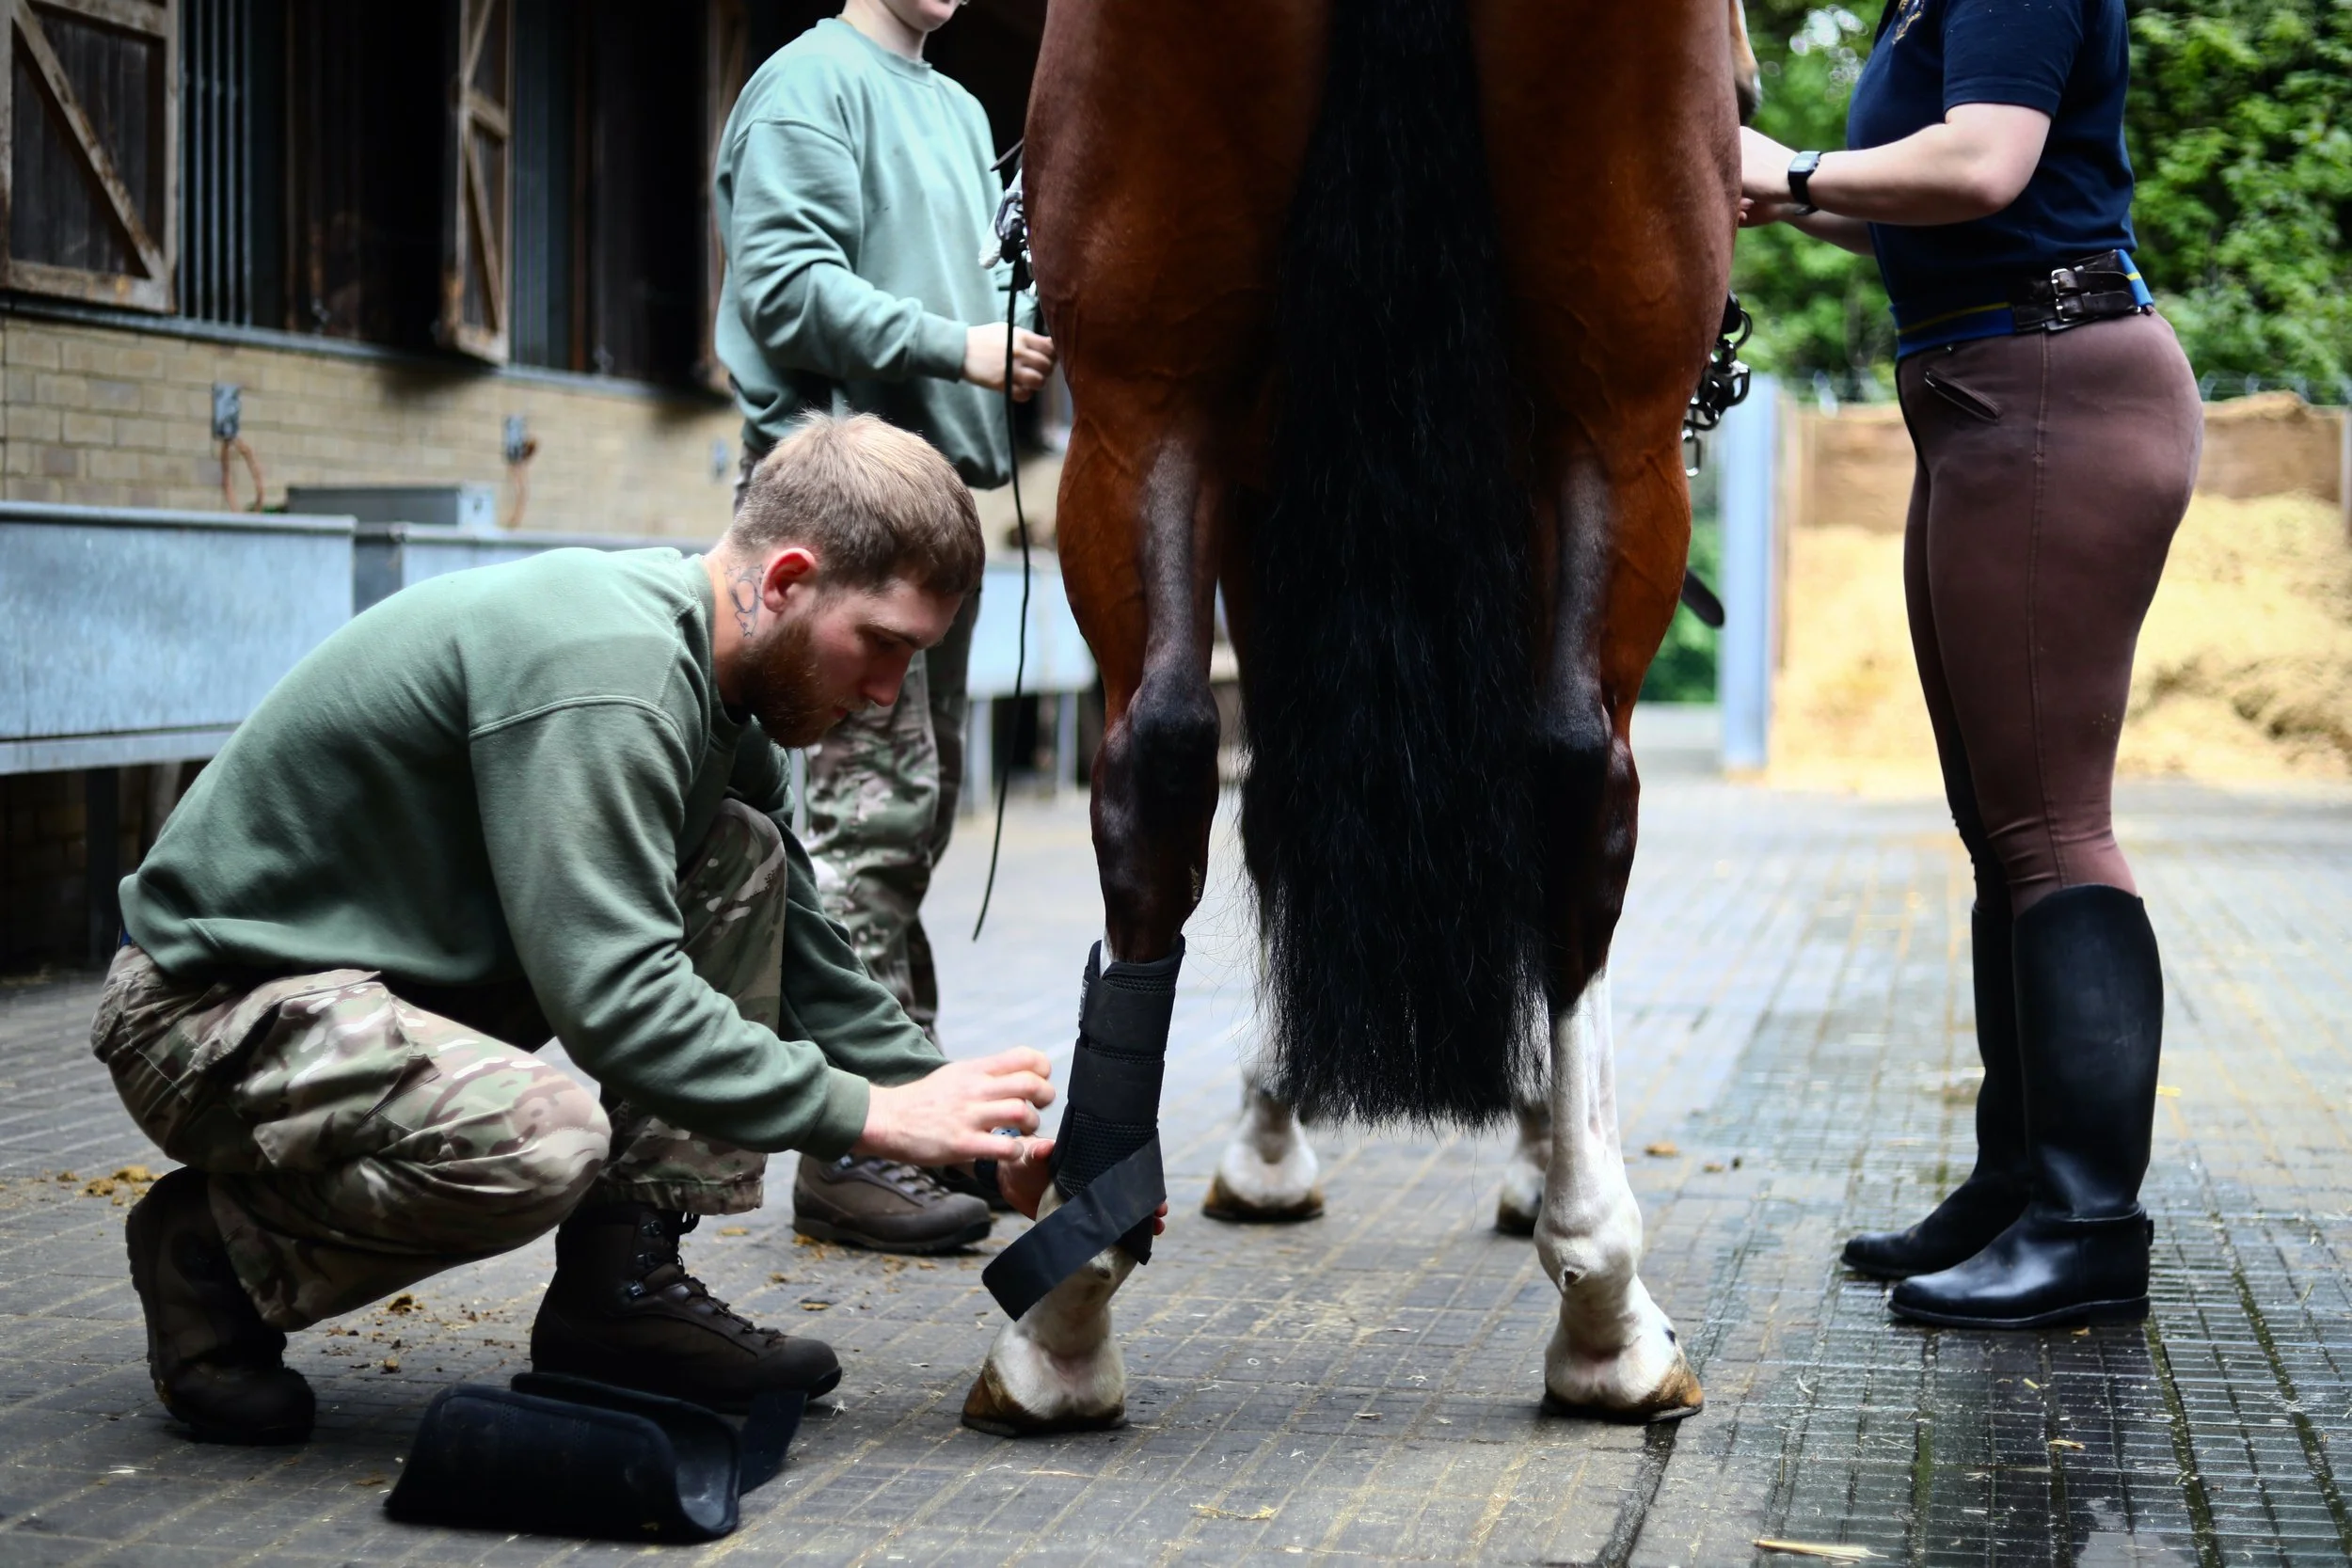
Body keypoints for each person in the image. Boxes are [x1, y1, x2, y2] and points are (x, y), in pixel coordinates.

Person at [93, 415, 1063, 1447]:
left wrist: (984, 1146)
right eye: (882, 644)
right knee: (544, 1139)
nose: (883, 693)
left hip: (367, 997)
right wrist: (868, 1115)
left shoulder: (722, 698)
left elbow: (809, 963)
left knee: (742, 855)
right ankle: (214, 1256)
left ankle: (618, 1294)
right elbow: (619, 1002)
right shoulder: (615, 676)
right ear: (787, 580)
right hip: (207, 1012)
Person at [1740, 0, 2199, 1328]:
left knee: (2052, 828)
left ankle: (2088, 1226)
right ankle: (2016, 1185)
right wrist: (1786, 193)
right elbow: (1918, 199)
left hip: (2051, 382)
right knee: (2003, 829)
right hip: (1980, 397)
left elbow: (1984, 163)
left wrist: (1799, 171)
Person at [712, 0, 1055, 1255]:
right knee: (870, 821)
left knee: (908, 816)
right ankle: (851, 1147)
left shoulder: (959, 110)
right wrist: (956, 345)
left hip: (936, 504)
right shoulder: (807, 85)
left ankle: (911, 1113)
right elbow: (785, 290)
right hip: (842, 498)